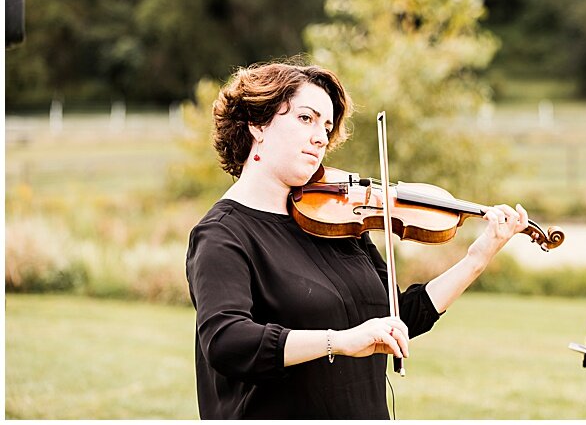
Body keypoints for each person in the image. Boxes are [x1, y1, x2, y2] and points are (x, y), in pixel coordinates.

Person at [186, 62, 532, 418]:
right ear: (257, 123)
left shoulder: (335, 222)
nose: (321, 137)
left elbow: (398, 317)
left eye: (327, 125)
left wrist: (478, 256)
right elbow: (227, 342)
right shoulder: (222, 234)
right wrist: (341, 340)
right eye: (307, 119)